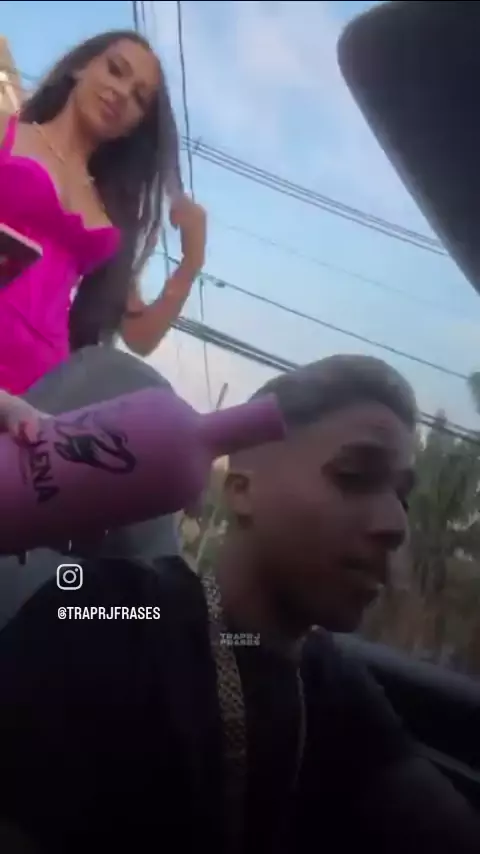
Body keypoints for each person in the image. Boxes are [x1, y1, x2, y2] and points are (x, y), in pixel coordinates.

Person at [0, 355, 478, 854]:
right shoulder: (105, 620)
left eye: (402, 497)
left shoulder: (339, 689)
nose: (396, 524)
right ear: (242, 491)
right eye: (355, 476)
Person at [0, 28, 206, 398]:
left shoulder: (112, 213)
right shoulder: (6, 132)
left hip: (39, 395)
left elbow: (140, 337)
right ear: (80, 67)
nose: (122, 93)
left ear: (135, 125)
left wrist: (191, 263)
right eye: (115, 70)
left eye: (139, 98)